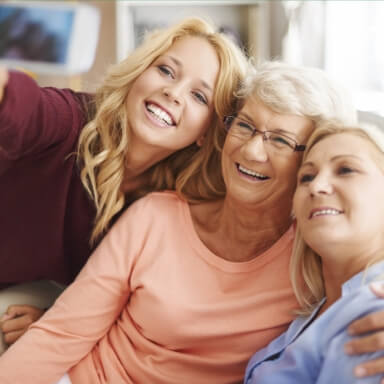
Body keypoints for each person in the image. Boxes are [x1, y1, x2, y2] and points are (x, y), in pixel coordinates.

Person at [2, 61, 384, 384]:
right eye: (245, 126)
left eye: (281, 141)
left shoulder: (316, 248)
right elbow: (63, 333)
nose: (251, 150)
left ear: (309, 160)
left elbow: (367, 261)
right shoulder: (157, 215)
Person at [0, 17, 247, 348]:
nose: (172, 93)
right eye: (166, 71)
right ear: (139, 72)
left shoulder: (174, 203)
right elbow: (21, 105)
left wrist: (58, 317)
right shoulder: (72, 121)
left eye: (199, 96)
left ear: (207, 132)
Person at [244, 122, 384, 384]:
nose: (317, 186)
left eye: (346, 170)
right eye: (306, 177)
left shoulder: (374, 309)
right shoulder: (311, 312)